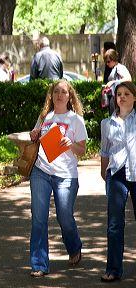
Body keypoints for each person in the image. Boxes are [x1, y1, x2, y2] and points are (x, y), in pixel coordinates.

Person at [28, 80, 87, 277]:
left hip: (66, 175)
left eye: (64, 92)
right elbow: (35, 138)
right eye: (56, 92)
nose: (60, 95)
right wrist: (34, 134)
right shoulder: (45, 117)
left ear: (70, 97)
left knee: (65, 216)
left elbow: (82, 150)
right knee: (38, 218)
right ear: (51, 96)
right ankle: (39, 264)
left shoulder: (75, 119)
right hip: (41, 171)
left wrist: (71, 144)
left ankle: (74, 246)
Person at [100, 81, 136, 282]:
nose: (122, 97)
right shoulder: (107, 124)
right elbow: (105, 151)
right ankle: (113, 269)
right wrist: (105, 172)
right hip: (116, 174)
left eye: (127, 94)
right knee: (115, 224)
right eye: (119, 94)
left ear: (134, 98)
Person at [103, 49, 132, 114]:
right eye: (106, 62)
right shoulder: (114, 68)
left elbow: (128, 78)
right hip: (114, 98)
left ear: (113, 59)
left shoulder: (120, 67)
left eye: (108, 61)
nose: (107, 64)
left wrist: (113, 82)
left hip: (119, 99)